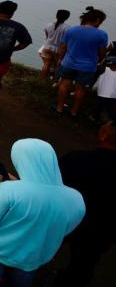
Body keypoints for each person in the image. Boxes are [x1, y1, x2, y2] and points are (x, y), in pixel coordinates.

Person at [0, 138, 85, 287]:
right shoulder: (76, 199)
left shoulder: (8, 190)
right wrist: (18, 183)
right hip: (30, 260)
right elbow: (64, 229)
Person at [55, 121, 116, 286]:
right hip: (103, 230)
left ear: (104, 135)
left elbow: (52, 186)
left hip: (66, 220)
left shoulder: (76, 158)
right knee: (83, 266)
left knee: (41, 248)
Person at [56, 7, 108, 118]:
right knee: (80, 88)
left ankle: (60, 107)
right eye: (101, 21)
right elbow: (102, 52)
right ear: (97, 20)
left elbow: (63, 47)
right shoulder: (102, 35)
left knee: (64, 84)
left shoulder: (71, 30)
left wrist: (60, 59)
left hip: (68, 63)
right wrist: (98, 61)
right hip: (88, 66)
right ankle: (74, 111)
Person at [39, 10, 70, 82]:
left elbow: (47, 37)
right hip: (58, 49)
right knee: (57, 66)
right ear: (67, 18)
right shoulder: (67, 28)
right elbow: (66, 41)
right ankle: (54, 81)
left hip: (47, 47)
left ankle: (42, 80)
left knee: (46, 64)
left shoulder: (48, 25)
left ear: (56, 15)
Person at [92, 55, 116, 122]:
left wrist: (103, 61)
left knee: (98, 107)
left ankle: (96, 119)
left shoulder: (104, 69)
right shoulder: (105, 69)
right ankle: (110, 121)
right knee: (110, 109)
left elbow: (98, 66)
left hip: (102, 94)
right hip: (113, 96)